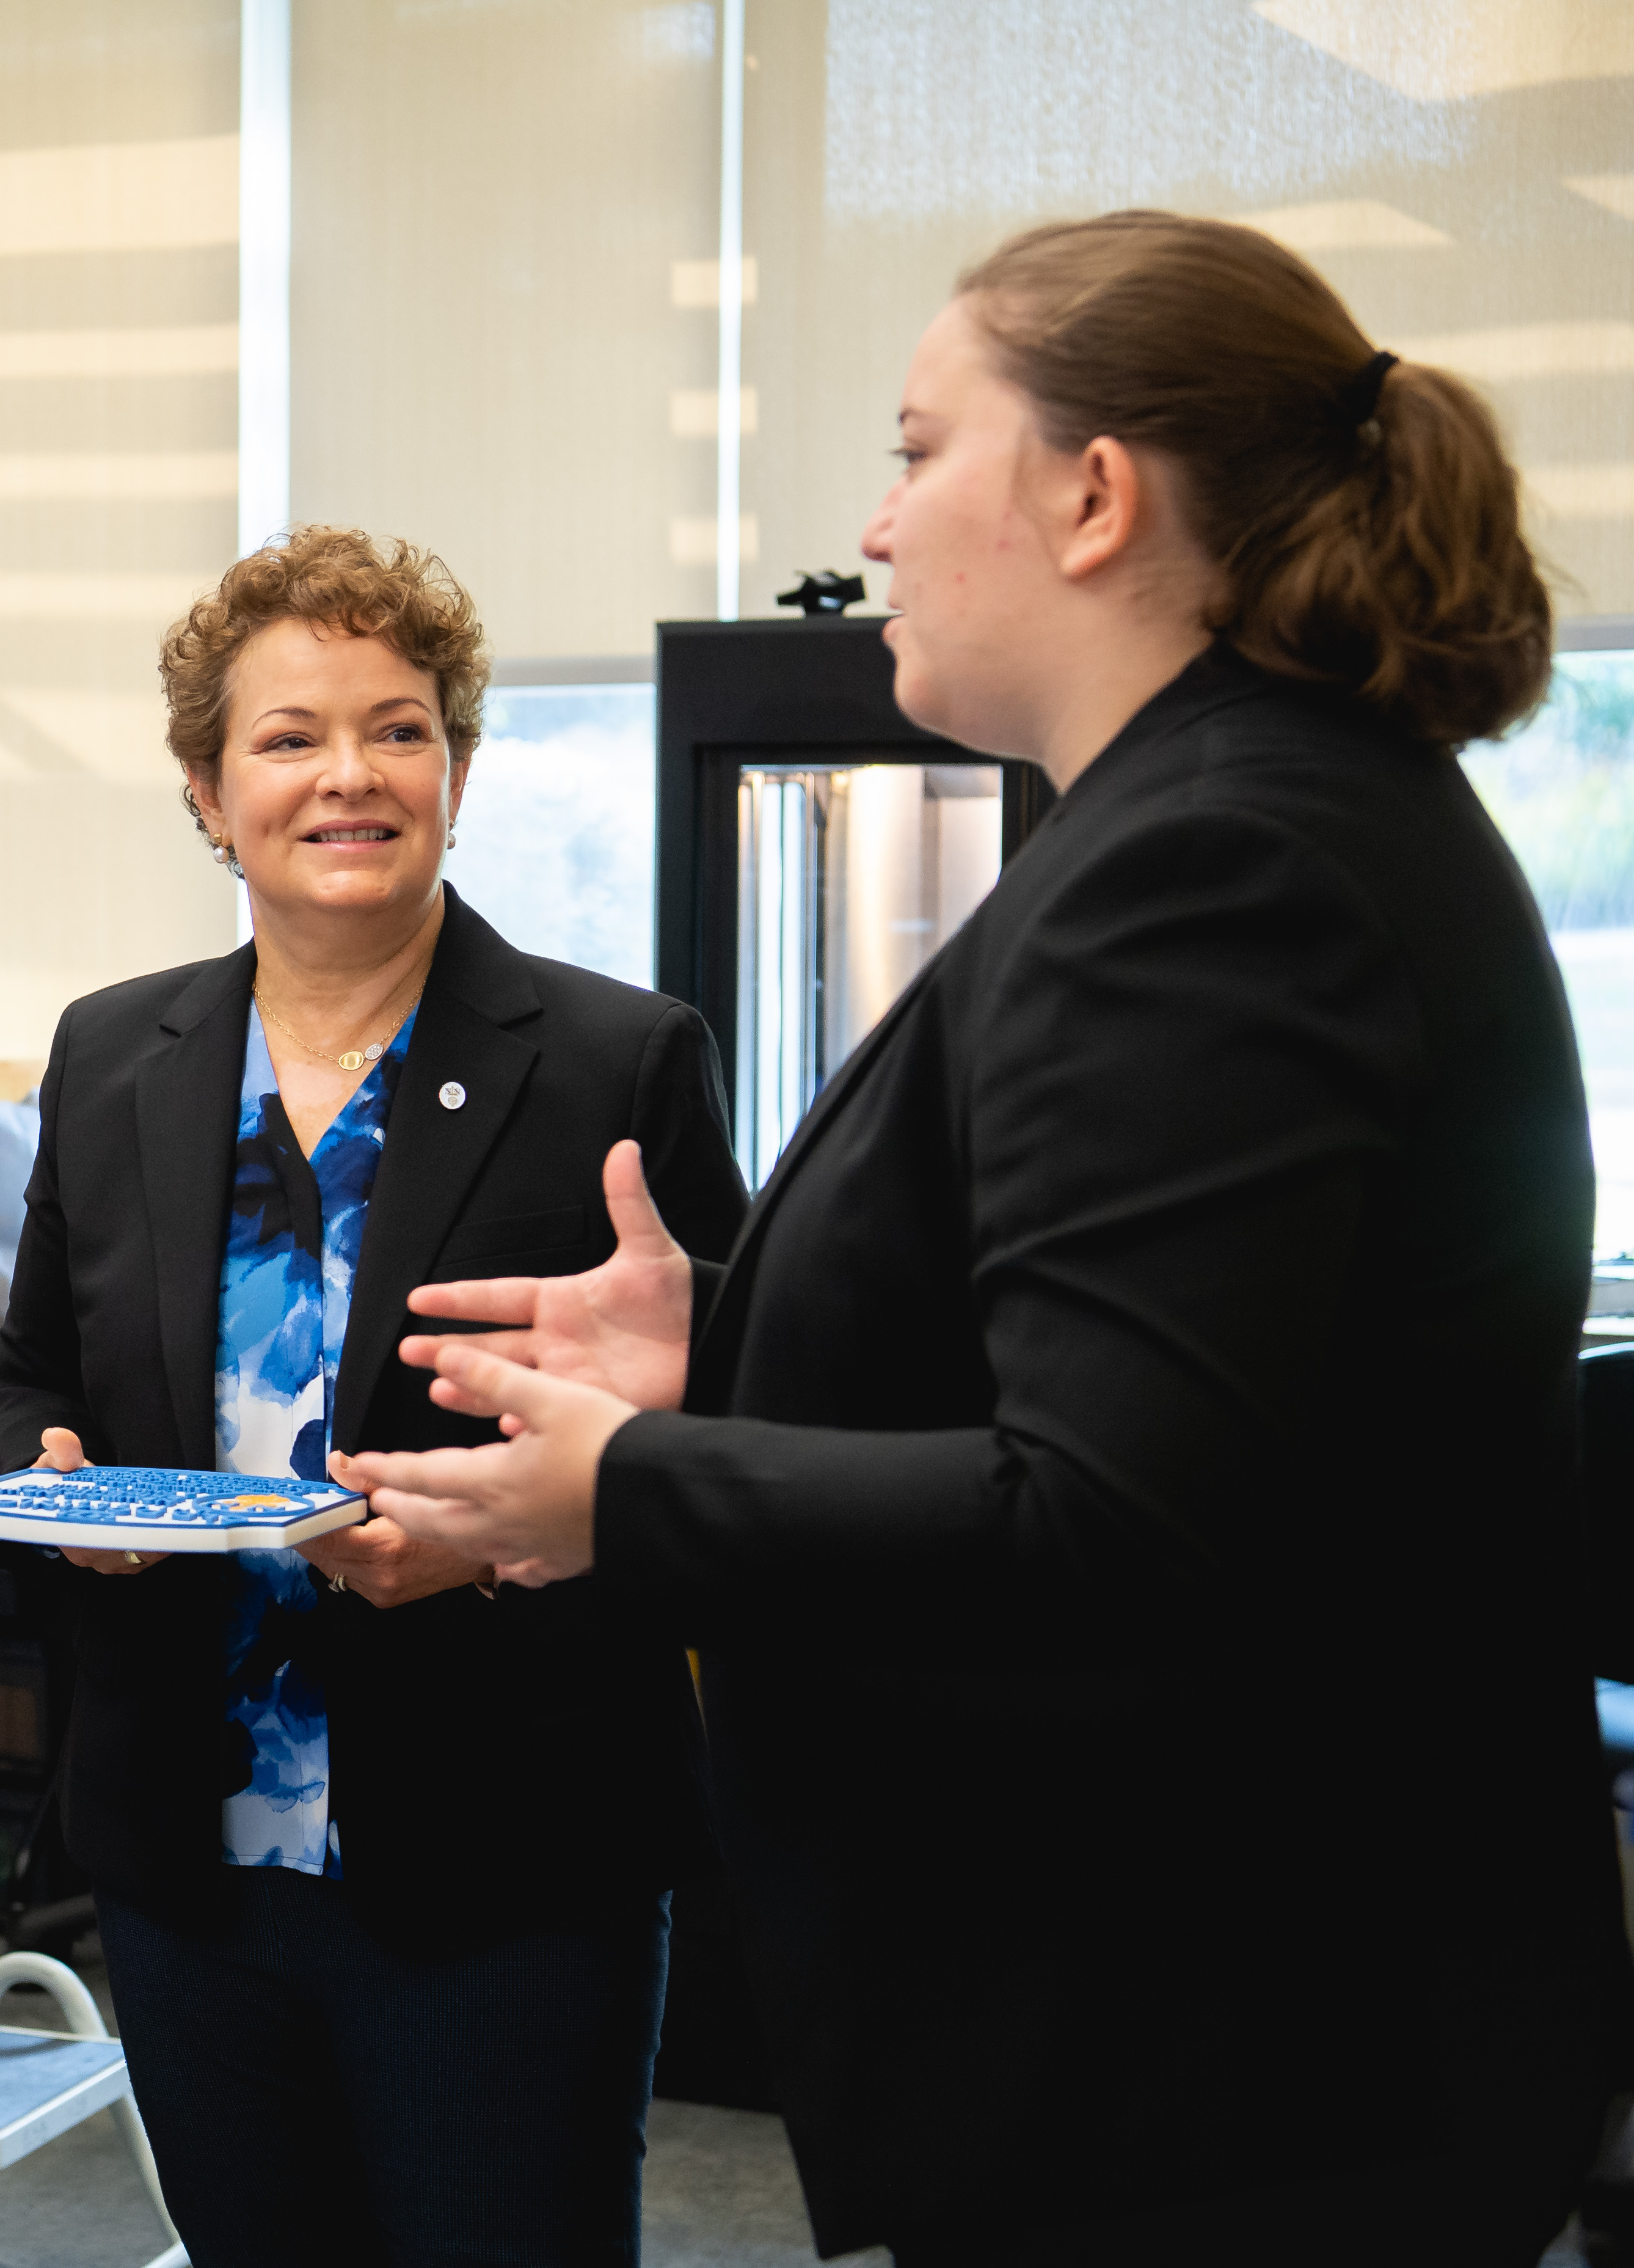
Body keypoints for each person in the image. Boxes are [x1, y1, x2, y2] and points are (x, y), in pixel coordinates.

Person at [340, 211, 1634, 2264]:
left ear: (1093, 496)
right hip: (1252, 2035)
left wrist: (631, 1485)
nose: (875, 519)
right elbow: (1166, 1391)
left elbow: (1109, 1519)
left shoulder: (1211, 868)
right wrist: (730, 1350)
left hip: (1217, 2060)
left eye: (918, 449)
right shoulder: (1236, 811)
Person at [0, 527, 750, 2267]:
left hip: (508, 1856)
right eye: (289, 735)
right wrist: (58, 1487)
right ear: (205, 786)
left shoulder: (618, 1063)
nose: (350, 776)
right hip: (190, 1852)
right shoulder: (115, 1055)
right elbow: (35, 1368)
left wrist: (491, 1548)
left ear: (461, 774)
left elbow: (734, 1444)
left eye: (400, 731)